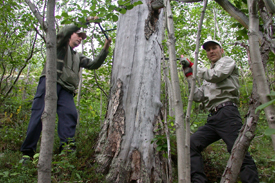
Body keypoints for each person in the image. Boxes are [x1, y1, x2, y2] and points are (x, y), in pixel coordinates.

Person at [20, 17, 112, 159]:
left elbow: (94, 64)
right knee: (38, 116)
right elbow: (63, 32)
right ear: (71, 34)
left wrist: (105, 48)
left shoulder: (77, 56)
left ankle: (67, 152)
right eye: (78, 35)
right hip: (50, 83)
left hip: (67, 91)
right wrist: (86, 20)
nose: (81, 38)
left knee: (70, 116)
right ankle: (27, 153)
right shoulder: (59, 45)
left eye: (82, 37)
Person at [180, 40, 259, 183]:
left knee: (239, 152)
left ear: (221, 50)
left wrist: (193, 65)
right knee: (191, 144)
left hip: (227, 113)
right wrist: (189, 73)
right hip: (213, 118)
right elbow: (198, 96)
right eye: (208, 49)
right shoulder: (207, 76)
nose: (211, 51)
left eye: (214, 48)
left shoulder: (226, 62)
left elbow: (215, 75)